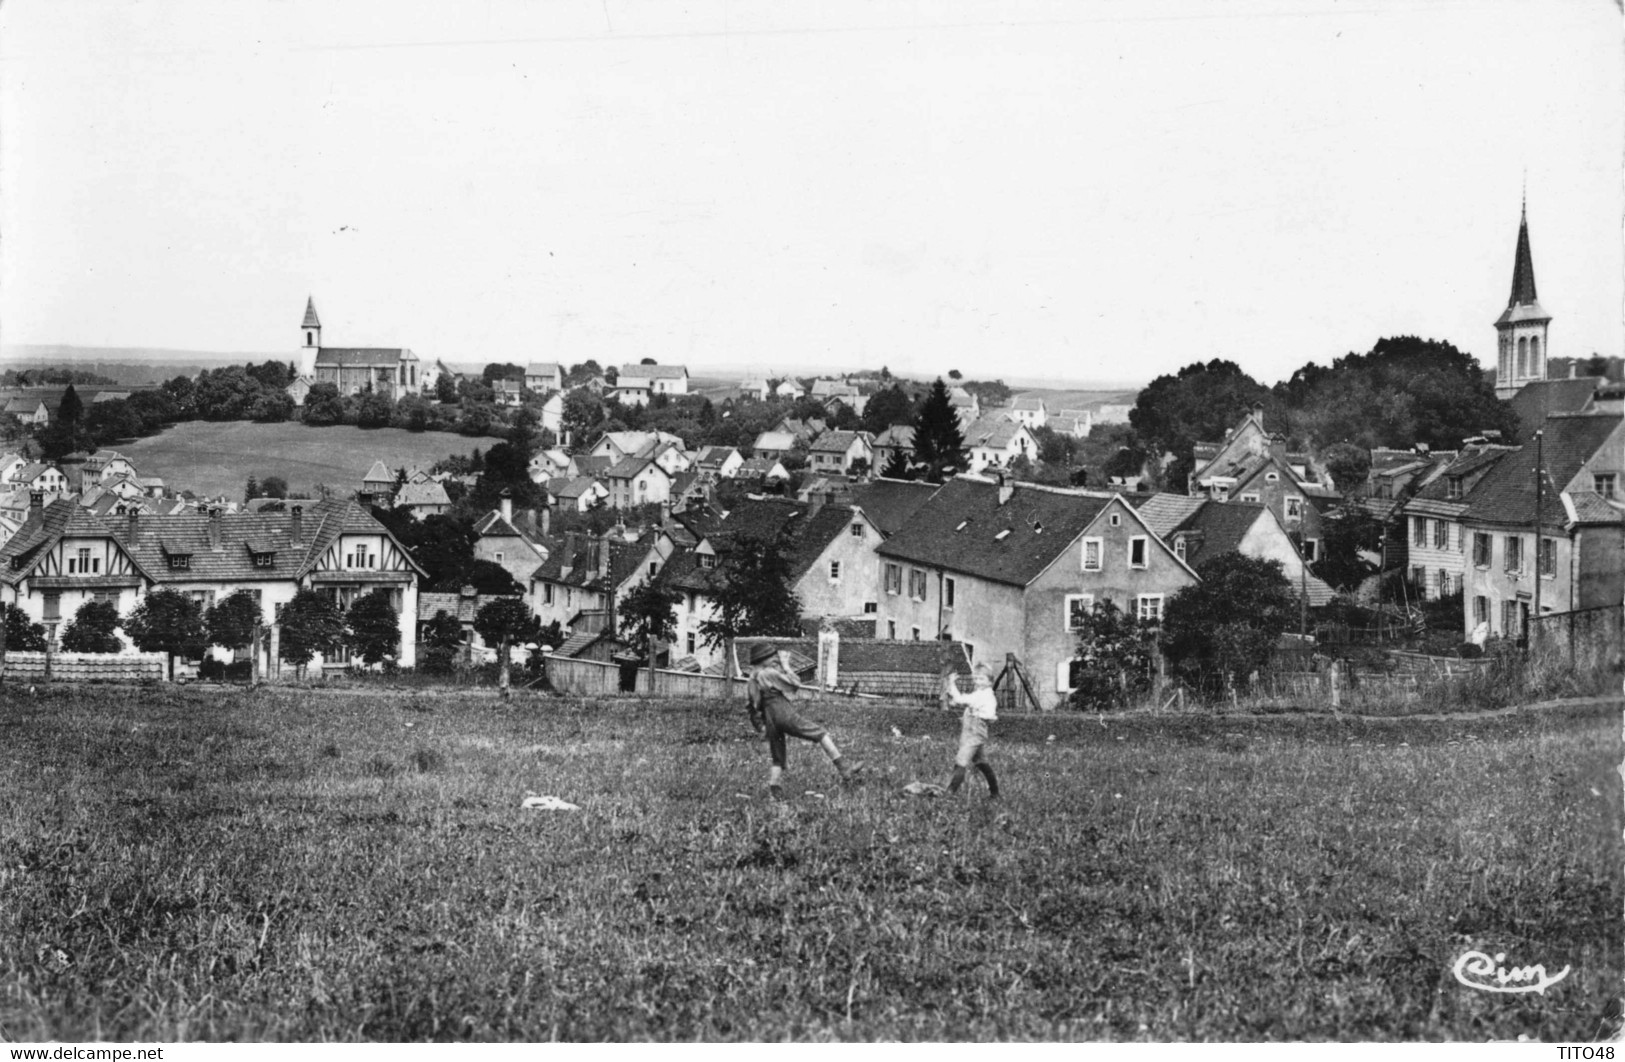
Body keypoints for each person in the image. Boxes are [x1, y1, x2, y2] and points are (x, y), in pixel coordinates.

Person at [745, 642, 863, 799]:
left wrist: (761, 726)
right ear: (762, 660)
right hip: (783, 713)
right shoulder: (768, 673)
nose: (775, 658)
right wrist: (786, 666)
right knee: (820, 734)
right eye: (771, 656)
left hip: (769, 719)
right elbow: (795, 684)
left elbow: (752, 707)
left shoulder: (752, 680)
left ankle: (774, 789)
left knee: (778, 756)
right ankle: (844, 769)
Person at [944, 664, 999, 798]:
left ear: (990, 681)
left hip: (975, 731)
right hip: (973, 730)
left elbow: (961, 699)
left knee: (961, 761)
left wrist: (952, 684)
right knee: (981, 762)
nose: (978, 682)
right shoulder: (982, 694)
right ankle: (995, 793)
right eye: (976, 679)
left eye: (982, 679)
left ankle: (949, 793)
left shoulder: (983, 695)